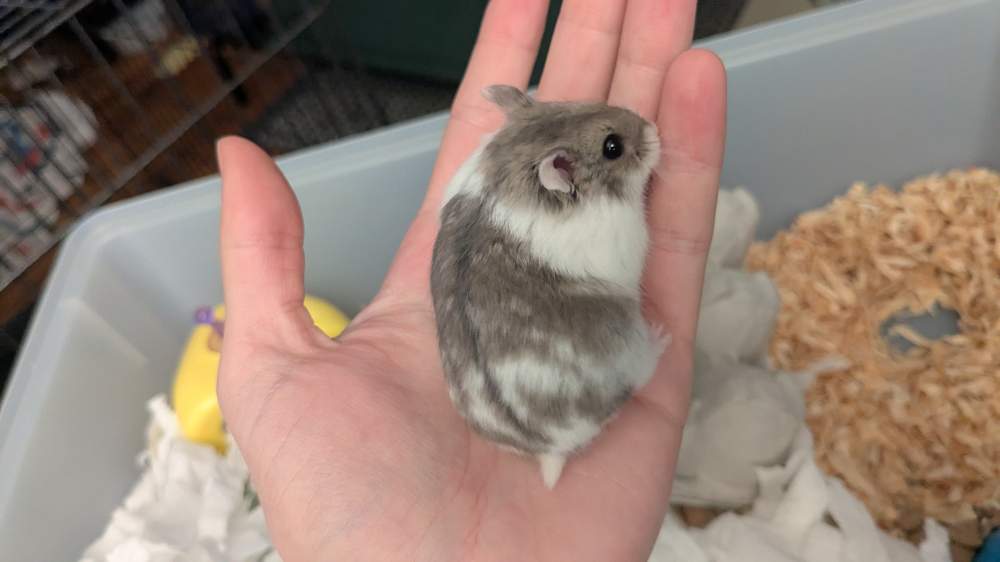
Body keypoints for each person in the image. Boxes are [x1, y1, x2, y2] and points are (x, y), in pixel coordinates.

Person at [214, 0, 726, 559]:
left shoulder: (497, 186)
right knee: (610, 324)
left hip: (503, 405)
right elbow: (613, 277)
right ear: (564, 177)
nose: (642, 136)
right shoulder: (583, 226)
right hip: (557, 405)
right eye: (614, 148)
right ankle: (589, 404)